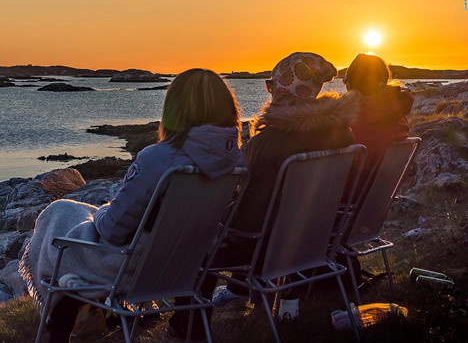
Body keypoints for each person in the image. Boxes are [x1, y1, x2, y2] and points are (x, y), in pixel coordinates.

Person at [20, 68, 244, 343]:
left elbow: (114, 231)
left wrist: (103, 210)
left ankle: (58, 328)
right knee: (73, 216)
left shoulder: (157, 159)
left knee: (60, 219)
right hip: (191, 260)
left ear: (175, 110)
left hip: (138, 267)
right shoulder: (236, 162)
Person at [208, 52, 362, 307]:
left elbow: (245, 208)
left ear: (281, 91)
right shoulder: (341, 134)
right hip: (315, 239)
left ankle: (187, 327)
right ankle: (245, 293)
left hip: (266, 248)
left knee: (209, 234)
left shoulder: (268, 143)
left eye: (270, 85)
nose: (269, 92)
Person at [345, 53, 413, 179]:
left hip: (346, 192)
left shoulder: (352, 122)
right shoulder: (399, 117)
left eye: (346, 81)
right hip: (379, 192)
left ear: (350, 84)